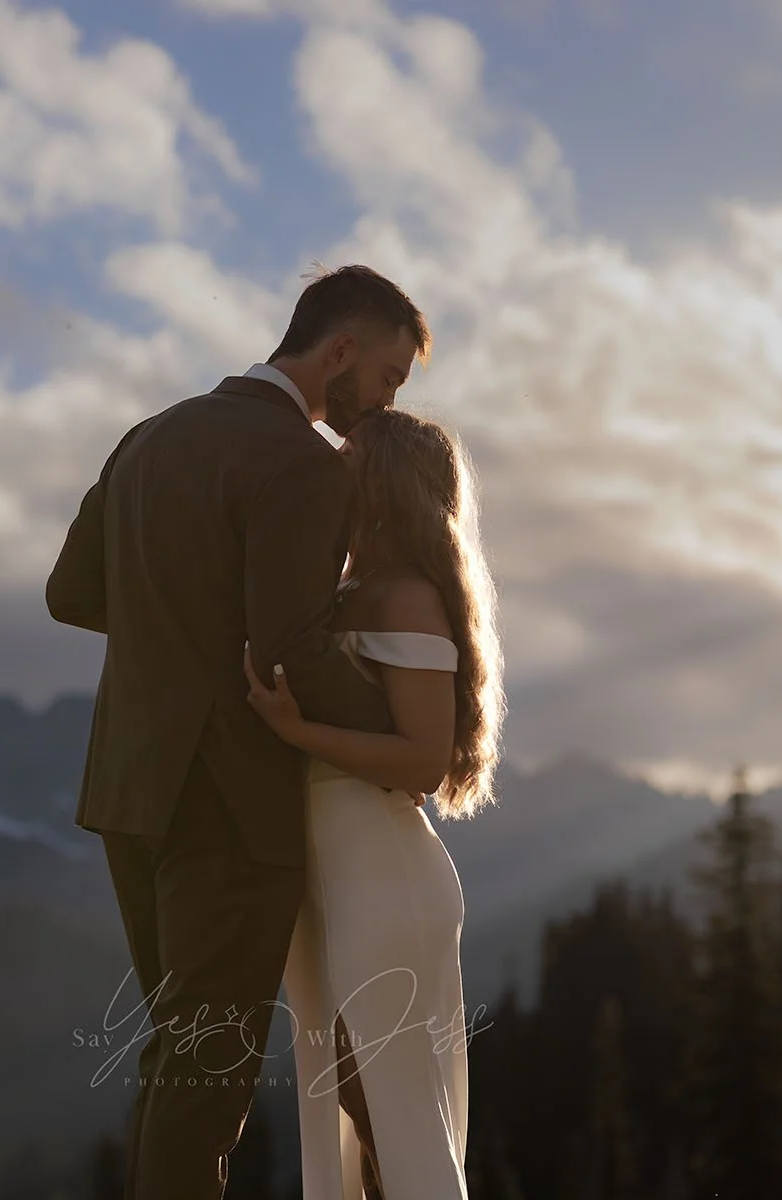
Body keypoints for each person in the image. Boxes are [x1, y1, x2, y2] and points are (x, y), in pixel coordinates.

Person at [46, 264, 429, 1199]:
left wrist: (177, 638)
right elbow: (292, 644)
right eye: (386, 378)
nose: (381, 405)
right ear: (338, 352)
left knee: (183, 1060)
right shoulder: (300, 462)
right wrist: (407, 734)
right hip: (225, 807)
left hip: (128, 793)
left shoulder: (148, 437)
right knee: (204, 1082)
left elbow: (70, 594)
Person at [245, 405, 503, 1199]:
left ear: (381, 484)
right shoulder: (352, 590)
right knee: (354, 1114)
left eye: (348, 463)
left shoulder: (408, 598)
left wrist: (297, 729)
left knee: (394, 1114)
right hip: (336, 876)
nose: (331, 473)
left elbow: (424, 762)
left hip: (383, 876)